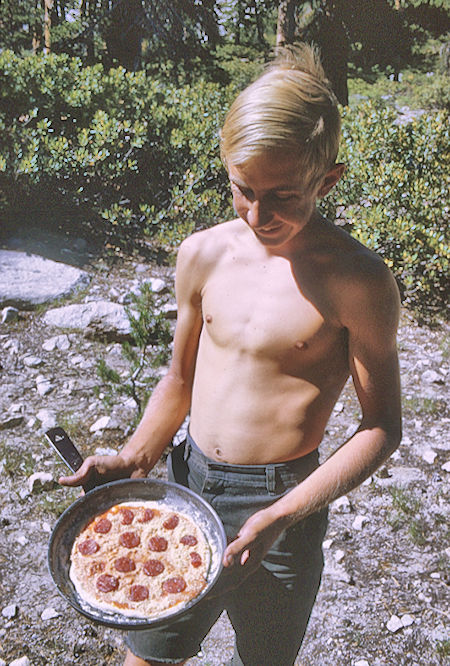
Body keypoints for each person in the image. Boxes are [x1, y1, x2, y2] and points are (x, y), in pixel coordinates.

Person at [60, 44, 402, 666]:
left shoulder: (359, 280)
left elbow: (381, 427)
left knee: (266, 657)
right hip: (188, 480)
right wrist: (137, 455)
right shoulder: (204, 253)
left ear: (327, 181)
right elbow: (180, 377)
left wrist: (284, 513)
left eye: (284, 196)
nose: (259, 214)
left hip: (283, 499)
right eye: (243, 190)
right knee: (151, 654)